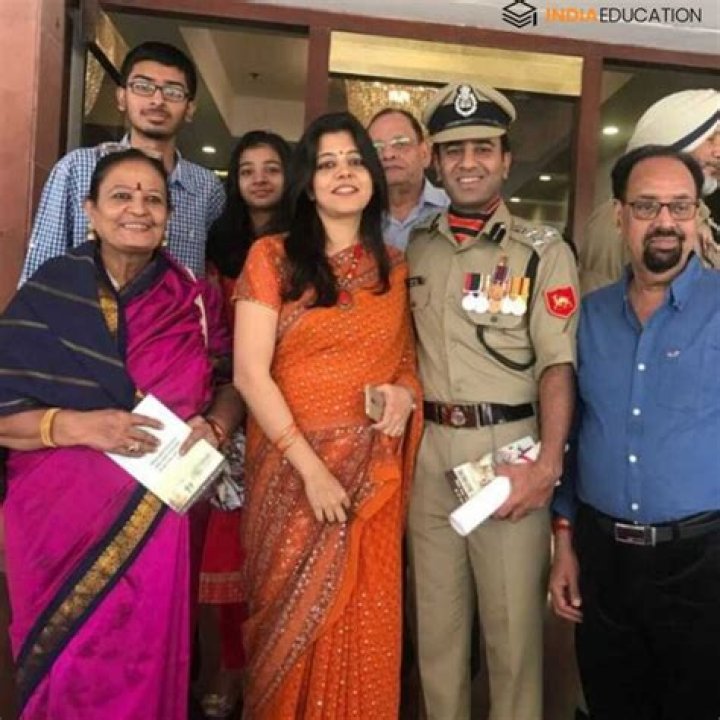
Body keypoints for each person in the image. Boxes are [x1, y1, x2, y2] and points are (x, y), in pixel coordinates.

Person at [0, 148, 243, 720]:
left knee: (144, 660)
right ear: (90, 211)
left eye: (153, 199)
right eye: (121, 196)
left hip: (156, 516)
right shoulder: (49, 295)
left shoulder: (192, 299)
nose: (139, 208)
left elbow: (230, 383)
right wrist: (82, 426)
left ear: (169, 216)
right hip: (56, 523)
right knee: (65, 667)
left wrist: (215, 424)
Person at [233, 111, 423, 718]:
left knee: (366, 624)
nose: (343, 173)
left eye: (354, 161)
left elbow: (407, 365)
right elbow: (249, 374)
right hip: (293, 478)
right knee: (287, 631)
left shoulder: (395, 267)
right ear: (308, 184)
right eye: (326, 164)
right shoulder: (272, 257)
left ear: (372, 176)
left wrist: (403, 395)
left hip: (370, 481)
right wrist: (312, 470)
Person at [406, 82, 579, 720]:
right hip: (429, 455)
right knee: (437, 639)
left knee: (513, 643)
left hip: (508, 454)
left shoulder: (542, 251)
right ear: (435, 162)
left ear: (506, 160)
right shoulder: (417, 247)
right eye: (453, 150)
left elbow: (558, 366)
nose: (468, 162)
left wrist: (548, 466)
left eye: (483, 148)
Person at [550, 145, 720, 720]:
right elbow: (574, 435)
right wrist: (564, 542)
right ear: (620, 216)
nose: (666, 221)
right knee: (610, 705)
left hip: (703, 563)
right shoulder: (588, 317)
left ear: (695, 215)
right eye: (647, 206)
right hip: (604, 560)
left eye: (680, 206)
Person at [197, 129, 290, 719]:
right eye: (247, 169)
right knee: (230, 548)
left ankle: (275, 668)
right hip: (232, 408)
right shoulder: (220, 246)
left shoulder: (305, 243)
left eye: (272, 167)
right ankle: (231, 667)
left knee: (283, 547)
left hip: (294, 408)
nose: (259, 179)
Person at [19, 41, 224, 282]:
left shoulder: (207, 188)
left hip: (175, 307)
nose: (157, 100)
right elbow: (41, 274)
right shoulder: (77, 169)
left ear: (190, 108)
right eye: (143, 87)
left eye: (173, 92)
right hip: (86, 306)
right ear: (121, 97)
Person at [579, 88, 720, 294]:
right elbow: (603, 304)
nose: (718, 152)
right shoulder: (617, 219)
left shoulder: (699, 216)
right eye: (710, 139)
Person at [367, 108, 448, 251]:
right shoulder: (357, 217)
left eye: (400, 144)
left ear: (425, 153)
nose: (388, 155)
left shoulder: (452, 208)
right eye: (376, 148)